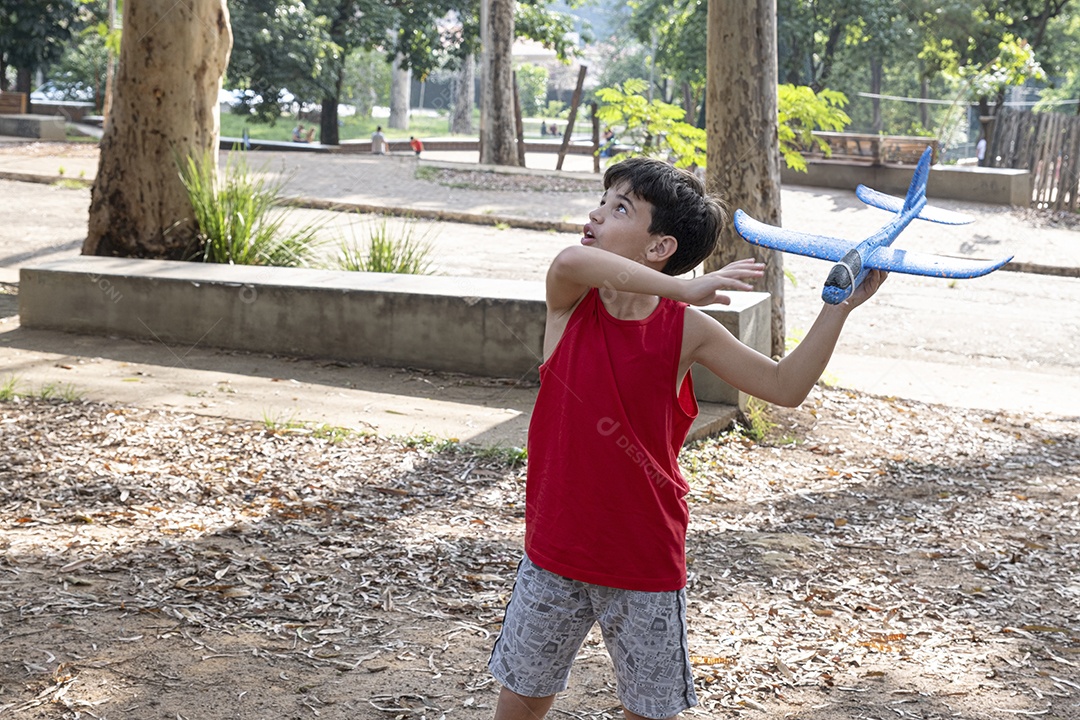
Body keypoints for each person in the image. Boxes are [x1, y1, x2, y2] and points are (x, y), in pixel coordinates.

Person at [487, 157, 886, 720]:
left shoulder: (687, 328)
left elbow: (784, 385)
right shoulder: (572, 299)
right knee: (523, 697)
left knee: (649, 710)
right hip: (554, 552)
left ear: (659, 246)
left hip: (643, 557)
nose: (597, 213)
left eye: (620, 207)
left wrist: (836, 310)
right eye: (603, 200)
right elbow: (570, 258)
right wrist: (688, 286)